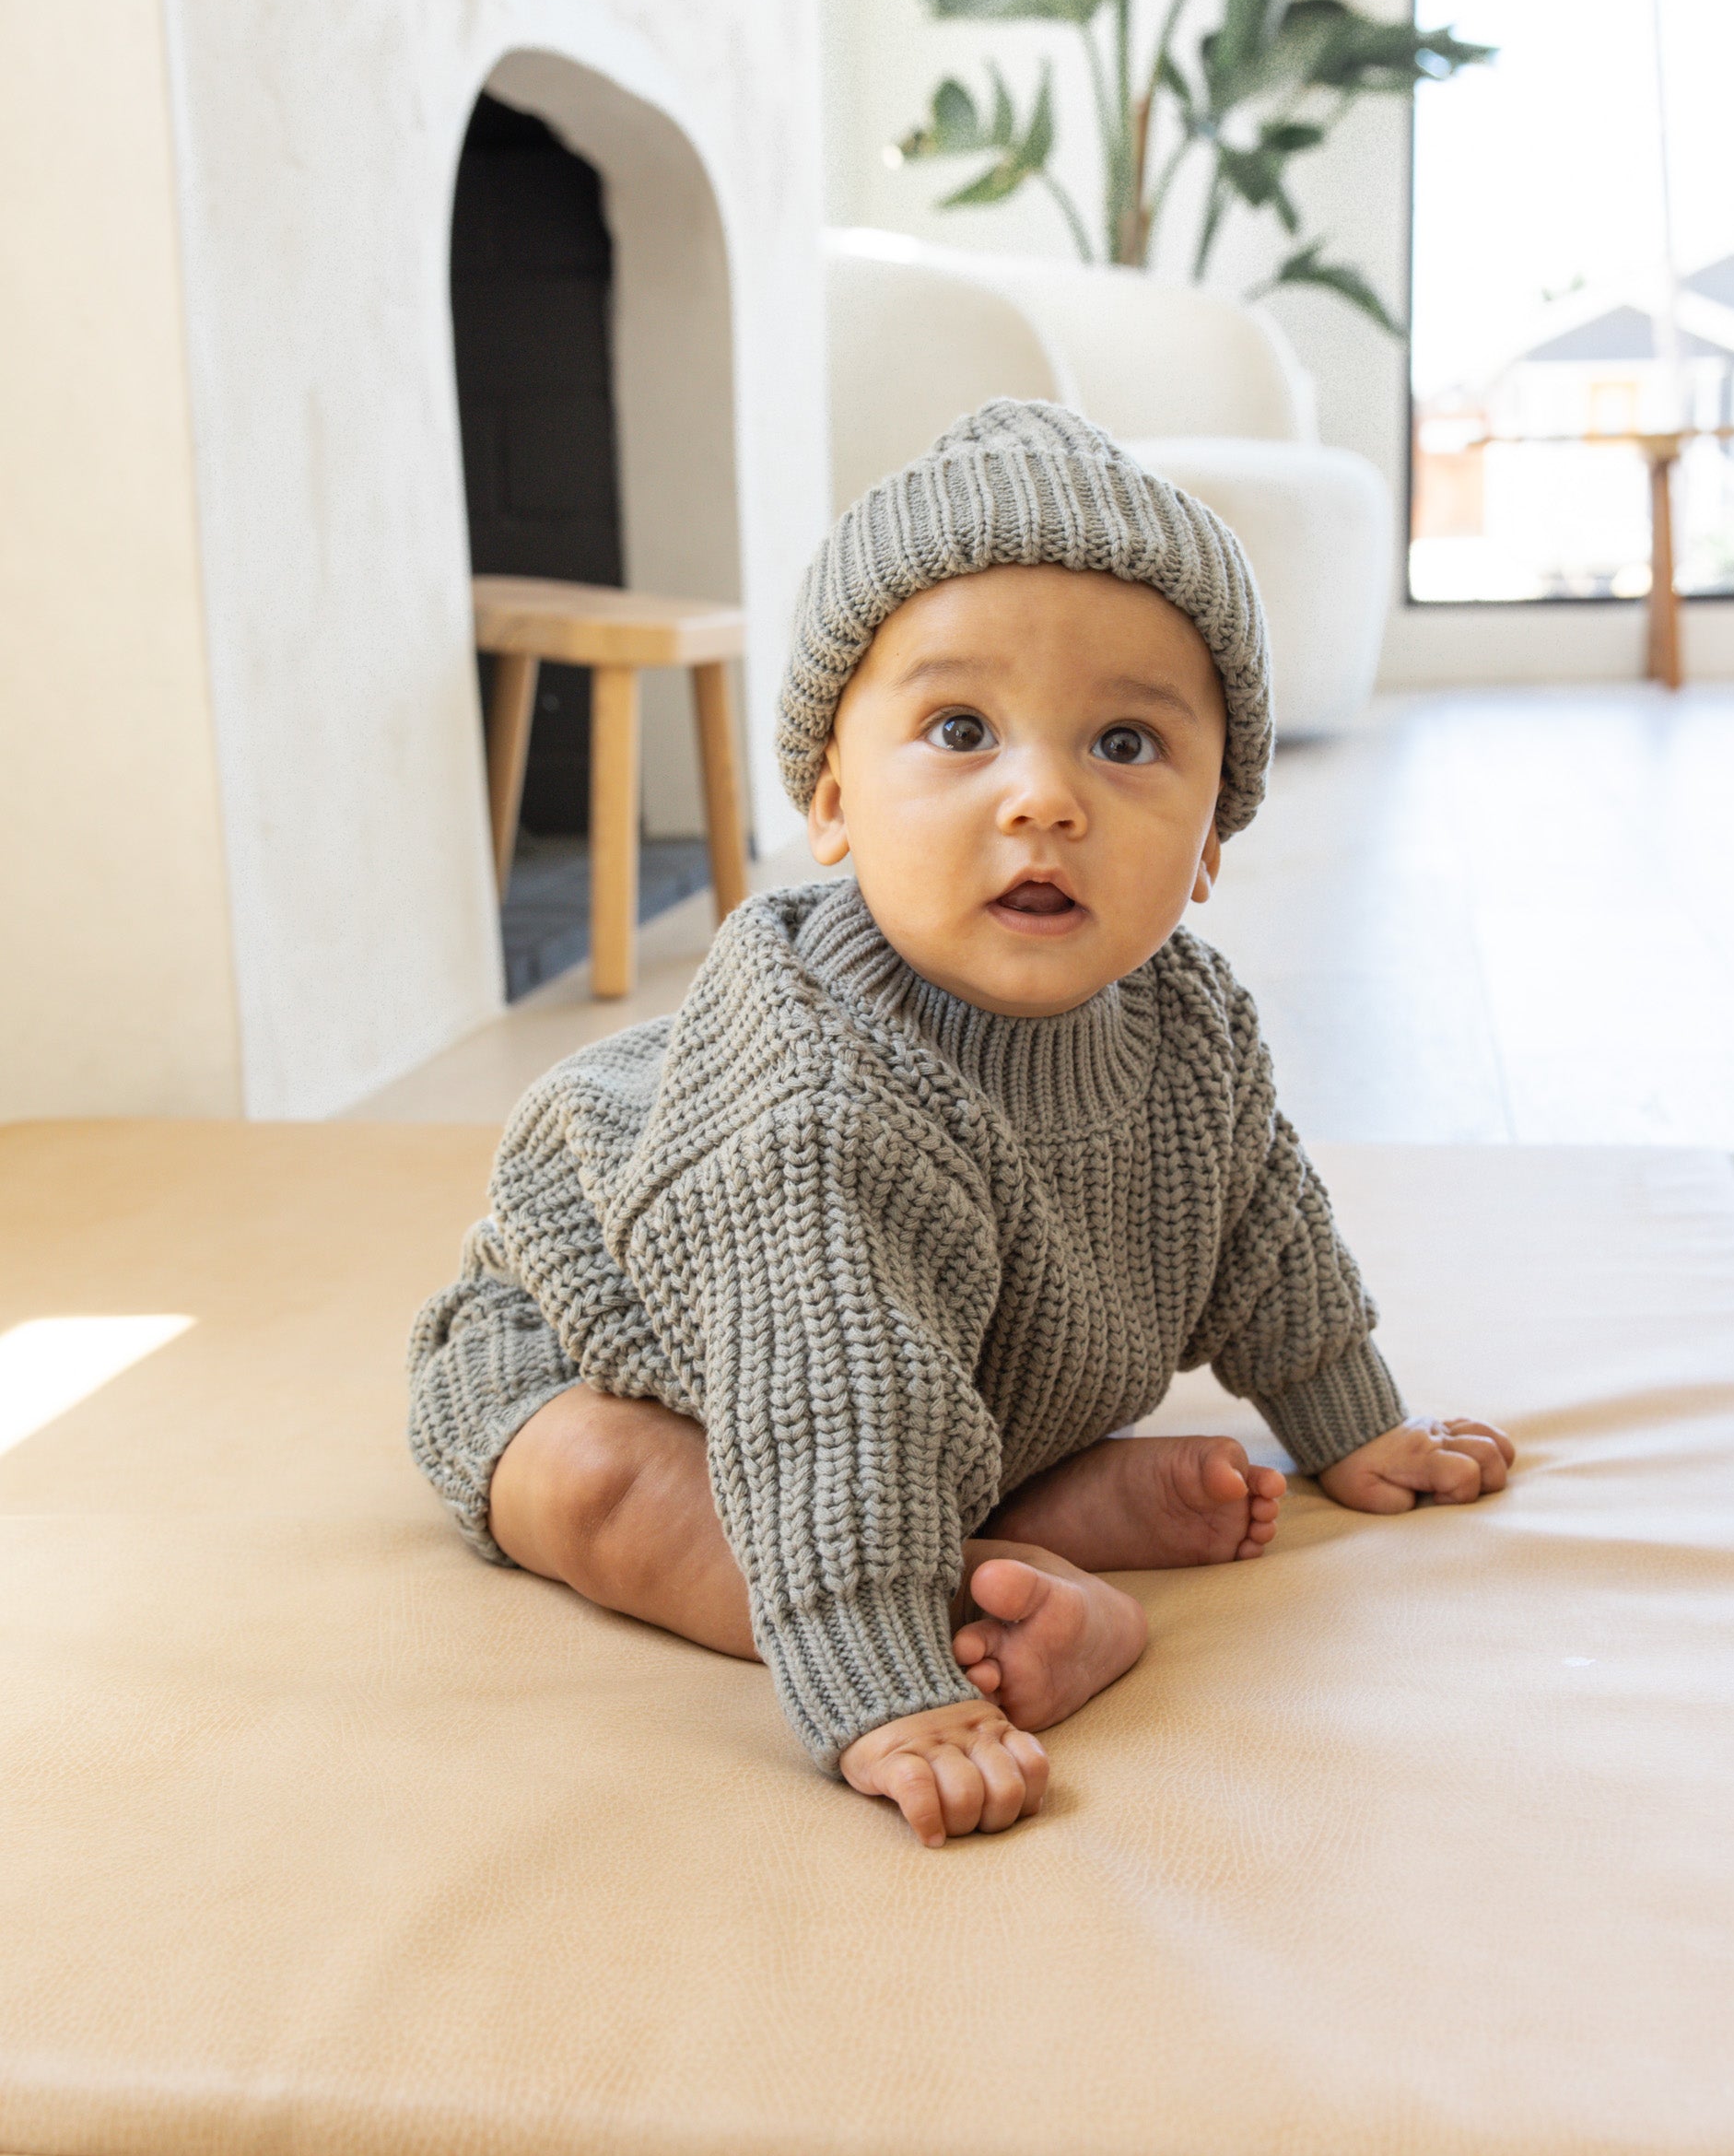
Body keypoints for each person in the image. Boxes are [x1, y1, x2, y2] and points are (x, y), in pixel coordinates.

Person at [409, 400, 1512, 1848]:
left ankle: (1010, 1519)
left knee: (919, 1426)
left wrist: (1349, 1418)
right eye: (958, 730)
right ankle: (967, 1593)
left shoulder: (1192, 1026)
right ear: (833, 802)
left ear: (1209, 848)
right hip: (615, 1363)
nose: (1043, 797)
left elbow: (1264, 1230)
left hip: (949, 1396)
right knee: (610, 1492)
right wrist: (895, 1689)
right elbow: (824, 1404)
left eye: (1124, 742)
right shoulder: (814, 1104)